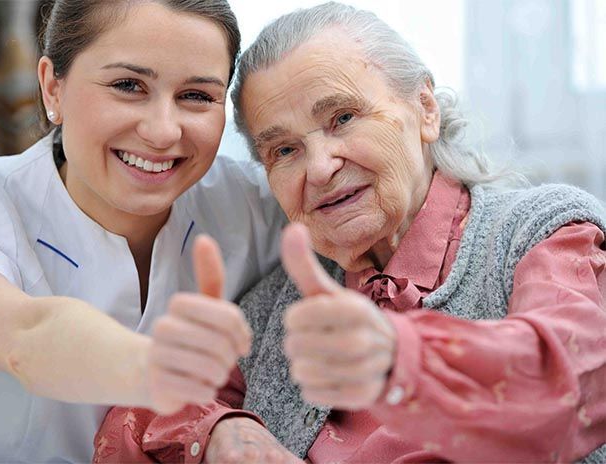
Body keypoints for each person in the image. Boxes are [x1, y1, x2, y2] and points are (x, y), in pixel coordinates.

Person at [95, 2, 606, 463]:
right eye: (285, 150)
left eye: (342, 117)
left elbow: (574, 380)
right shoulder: (277, 306)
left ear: (425, 109)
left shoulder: (542, 234)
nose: (319, 168)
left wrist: (396, 356)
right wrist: (220, 431)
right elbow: (135, 415)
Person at [0, 0, 287, 462]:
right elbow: (25, 336)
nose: (162, 131)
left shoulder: (252, 204)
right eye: (128, 85)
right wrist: (160, 372)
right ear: (53, 87)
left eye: (196, 96)